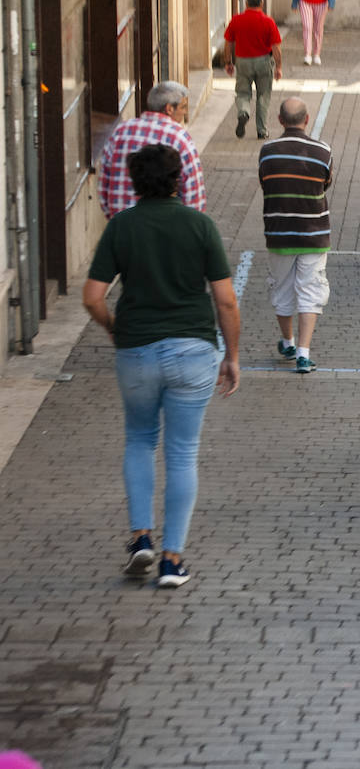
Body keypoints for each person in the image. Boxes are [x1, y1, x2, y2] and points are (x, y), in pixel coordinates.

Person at [82, 143, 241, 589]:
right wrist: (231, 356)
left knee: (138, 439)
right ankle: (172, 560)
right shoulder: (200, 226)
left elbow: (92, 298)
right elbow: (225, 300)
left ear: (134, 182)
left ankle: (140, 538)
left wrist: (114, 328)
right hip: (193, 352)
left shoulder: (121, 227)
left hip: (136, 350)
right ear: (179, 180)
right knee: (182, 452)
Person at [258, 98, 333, 373]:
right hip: (314, 234)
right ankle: (304, 352)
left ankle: (287, 341)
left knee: (281, 287)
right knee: (311, 288)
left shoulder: (267, 151)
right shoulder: (323, 151)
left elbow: (264, 182)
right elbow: (326, 182)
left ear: (279, 120)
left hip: (279, 233)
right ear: (307, 119)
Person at [98, 81, 205, 219]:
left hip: (124, 225)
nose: (185, 112)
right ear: (169, 109)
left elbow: (104, 184)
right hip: (164, 227)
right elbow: (193, 194)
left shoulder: (121, 132)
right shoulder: (179, 138)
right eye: (183, 107)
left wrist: (114, 220)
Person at [223, 0, 282, 140]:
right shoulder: (268, 22)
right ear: (261, 4)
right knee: (263, 95)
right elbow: (276, 47)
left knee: (243, 93)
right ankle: (262, 130)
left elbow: (228, 44)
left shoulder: (236, 20)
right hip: (263, 62)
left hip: (242, 62)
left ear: (246, 4)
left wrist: (228, 62)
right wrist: (278, 67)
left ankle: (243, 112)